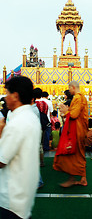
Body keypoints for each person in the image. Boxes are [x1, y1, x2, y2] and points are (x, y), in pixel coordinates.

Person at [0, 76, 41, 219]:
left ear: (15, 96)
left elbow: (1, 160)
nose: (5, 98)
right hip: (23, 194)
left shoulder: (17, 123)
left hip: (10, 198)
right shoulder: (32, 117)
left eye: (7, 93)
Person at [53, 81, 88, 187]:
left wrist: (66, 111)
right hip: (78, 129)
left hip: (77, 131)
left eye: (69, 88)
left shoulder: (78, 97)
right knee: (77, 154)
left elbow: (74, 114)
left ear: (73, 87)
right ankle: (81, 178)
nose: (69, 90)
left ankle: (77, 178)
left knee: (73, 154)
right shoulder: (80, 97)